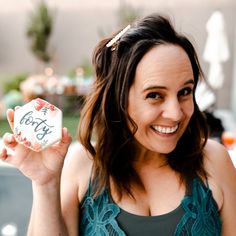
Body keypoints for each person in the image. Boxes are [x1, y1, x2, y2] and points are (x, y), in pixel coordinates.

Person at [0, 13, 236, 236]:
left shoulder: (215, 162)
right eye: (155, 95)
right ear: (117, 99)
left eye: (185, 91)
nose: (176, 113)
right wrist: (45, 183)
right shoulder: (83, 165)